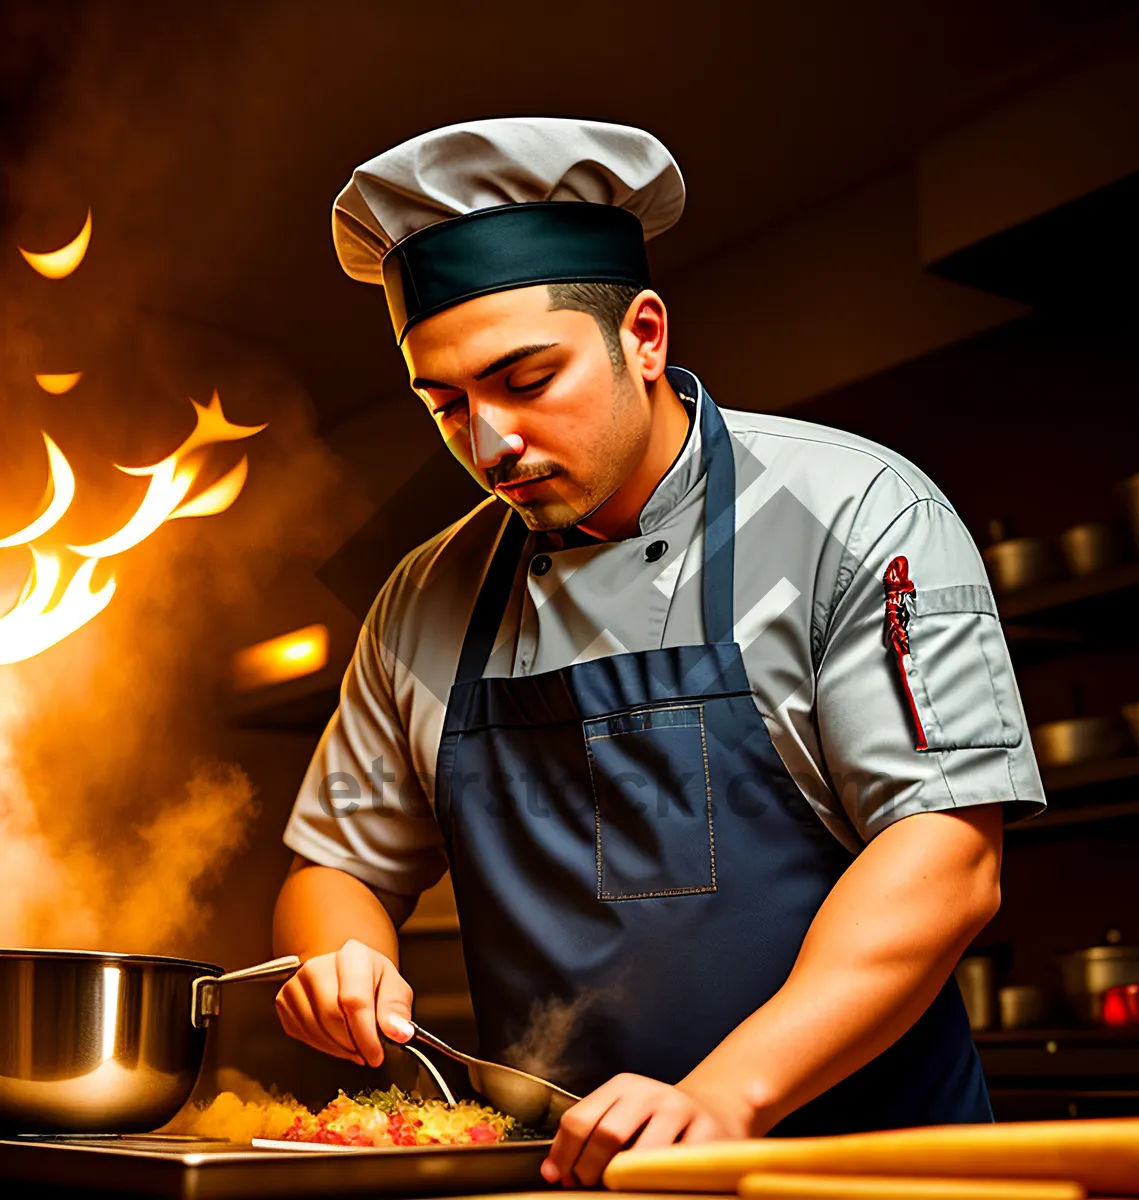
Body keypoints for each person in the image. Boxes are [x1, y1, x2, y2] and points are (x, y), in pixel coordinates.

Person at [273, 117, 1046, 1186]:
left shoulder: (856, 513)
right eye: (446, 403)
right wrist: (338, 957)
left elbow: (948, 859)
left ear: (643, 335)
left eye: (526, 380)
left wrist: (724, 1094)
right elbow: (340, 867)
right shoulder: (423, 596)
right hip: (561, 1177)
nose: (489, 443)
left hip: (861, 1167)